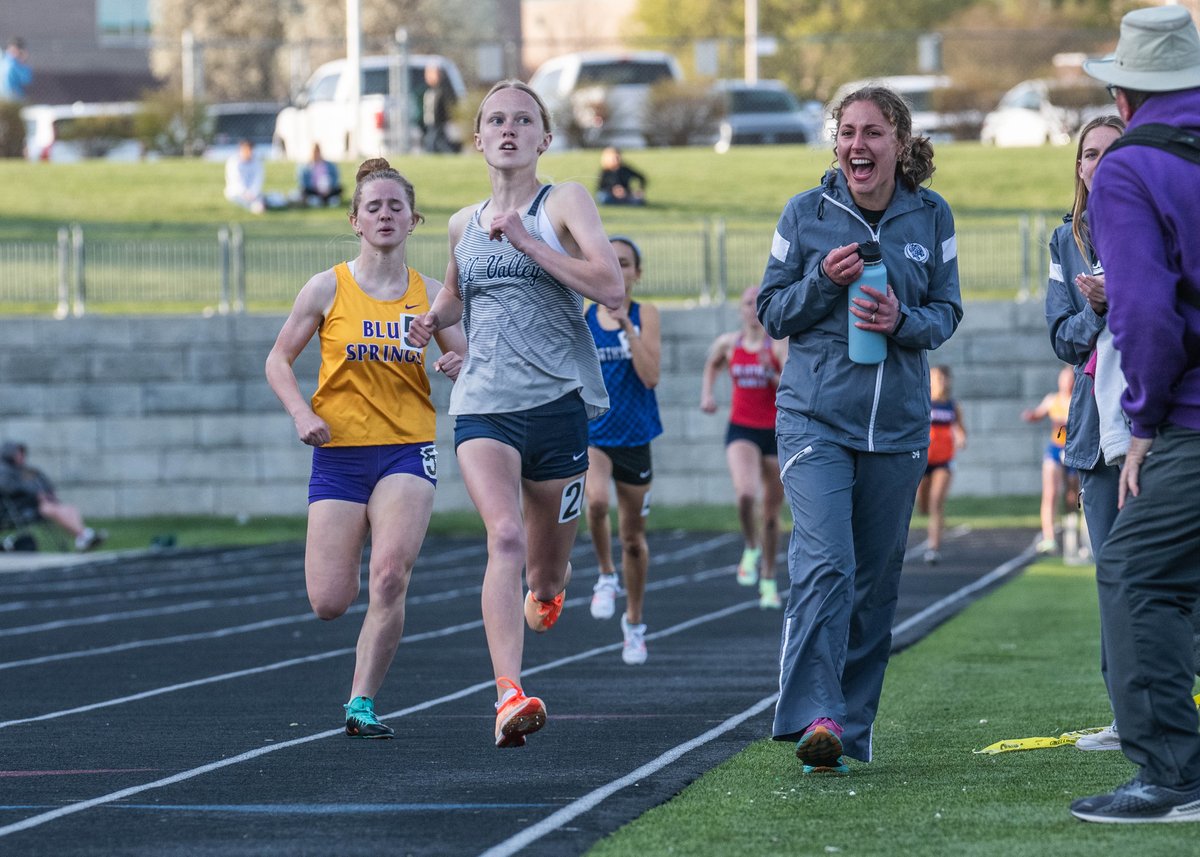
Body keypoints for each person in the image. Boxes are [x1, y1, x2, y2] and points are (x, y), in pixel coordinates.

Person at [404, 80, 624, 748]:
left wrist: (529, 241)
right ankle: (508, 694)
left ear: (544, 138)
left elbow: (610, 285)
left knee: (546, 575)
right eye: (496, 120)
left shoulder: (565, 201)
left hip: (557, 407)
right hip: (483, 407)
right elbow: (454, 293)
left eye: (523, 120)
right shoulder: (461, 223)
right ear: (477, 140)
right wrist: (431, 320)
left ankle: (548, 590)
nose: (508, 129)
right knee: (504, 537)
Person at [757, 84, 962, 775]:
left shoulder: (932, 215)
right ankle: (815, 714)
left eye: (872, 132)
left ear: (899, 141)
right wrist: (821, 280)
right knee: (828, 565)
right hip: (815, 420)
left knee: (874, 586)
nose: (857, 145)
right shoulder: (805, 213)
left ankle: (846, 728)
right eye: (847, 132)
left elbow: (947, 312)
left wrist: (901, 321)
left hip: (898, 429)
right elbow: (772, 312)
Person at [264, 157, 466, 739]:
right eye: (373, 207)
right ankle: (349, 587)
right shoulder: (327, 287)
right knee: (329, 601)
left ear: (413, 220)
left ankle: (361, 702)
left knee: (390, 576)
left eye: (396, 207)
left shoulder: (432, 296)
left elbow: (470, 359)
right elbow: (277, 360)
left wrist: (458, 362)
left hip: (406, 449)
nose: (384, 215)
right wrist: (302, 413)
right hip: (339, 453)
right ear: (355, 220)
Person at [1070, 4, 1200, 823]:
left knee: (1135, 569)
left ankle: (1173, 775)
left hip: (1191, 415)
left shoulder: (1129, 168)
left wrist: (1143, 423)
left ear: (1124, 95)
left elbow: (1146, 312)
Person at [1042, 114, 1127, 751]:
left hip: (1163, 426)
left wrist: (1124, 294)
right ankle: (1130, 717)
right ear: (1079, 168)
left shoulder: (1168, 220)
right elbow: (1062, 338)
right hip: (1097, 435)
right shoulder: (1063, 242)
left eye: (1113, 151)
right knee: (1114, 579)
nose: (1099, 163)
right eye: (1090, 154)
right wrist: (1096, 309)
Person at [585, 235, 663, 664]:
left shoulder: (644, 313)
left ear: (637, 273)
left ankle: (634, 623)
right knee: (596, 503)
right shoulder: (583, 317)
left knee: (633, 540)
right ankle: (605, 575)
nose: (618, 269)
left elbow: (651, 376)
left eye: (625, 263)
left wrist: (627, 328)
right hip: (595, 434)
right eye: (610, 262)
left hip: (635, 437)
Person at [700, 284, 787, 609]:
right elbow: (712, 364)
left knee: (771, 515)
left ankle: (768, 579)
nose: (753, 309)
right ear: (741, 309)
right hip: (742, 429)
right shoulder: (729, 343)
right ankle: (751, 547)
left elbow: (791, 386)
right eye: (748, 303)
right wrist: (707, 395)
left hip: (775, 434)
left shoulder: (778, 345)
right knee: (746, 494)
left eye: (758, 303)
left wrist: (771, 373)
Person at [0, 441, 104, 551]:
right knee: (51, 509)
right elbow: (8, 487)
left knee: (70, 508)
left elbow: (45, 483)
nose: (21, 456)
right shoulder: (4, 470)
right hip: (20, 508)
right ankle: (83, 536)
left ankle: (83, 535)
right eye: (18, 453)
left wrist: (47, 494)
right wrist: (36, 495)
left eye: (22, 453)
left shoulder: (29, 470)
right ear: (9, 453)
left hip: (39, 503)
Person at [1020, 364, 1080, 555]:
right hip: (1055, 449)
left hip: (1074, 450)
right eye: (1064, 379)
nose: (1066, 383)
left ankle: (1072, 524)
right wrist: (1030, 416)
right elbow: (1038, 414)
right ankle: (1049, 537)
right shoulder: (1052, 400)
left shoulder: (1079, 400)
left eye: (1070, 379)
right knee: (1050, 492)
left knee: (1072, 496)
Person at [916, 364, 966, 565]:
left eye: (944, 378)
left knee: (936, 502)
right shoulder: (923, 402)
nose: (941, 382)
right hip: (923, 460)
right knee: (923, 506)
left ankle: (933, 549)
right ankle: (934, 522)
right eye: (937, 378)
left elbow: (960, 428)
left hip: (944, 462)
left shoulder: (953, 406)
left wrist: (961, 437)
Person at [421, 62, 457, 154]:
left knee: (432, 140)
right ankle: (447, 152)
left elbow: (442, 108)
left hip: (438, 121)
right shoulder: (430, 91)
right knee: (438, 140)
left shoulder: (441, 91)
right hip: (431, 121)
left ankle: (436, 152)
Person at [225, 139, 266, 214]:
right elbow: (235, 180)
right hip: (237, 193)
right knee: (246, 201)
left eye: (250, 150)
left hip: (253, 193)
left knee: (264, 199)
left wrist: (253, 192)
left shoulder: (257, 162)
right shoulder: (234, 162)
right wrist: (244, 192)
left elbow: (258, 179)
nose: (248, 152)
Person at [296, 143, 342, 208]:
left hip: (328, 190)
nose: (316, 154)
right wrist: (315, 188)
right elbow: (303, 183)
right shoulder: (305, 167)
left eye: (317, 151)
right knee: (304, 191)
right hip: (313, 190)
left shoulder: (329, 165)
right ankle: (320, 200)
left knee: (339, 189)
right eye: (314, 152)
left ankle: (327, 199)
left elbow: (335, 178)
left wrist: (329, 188)